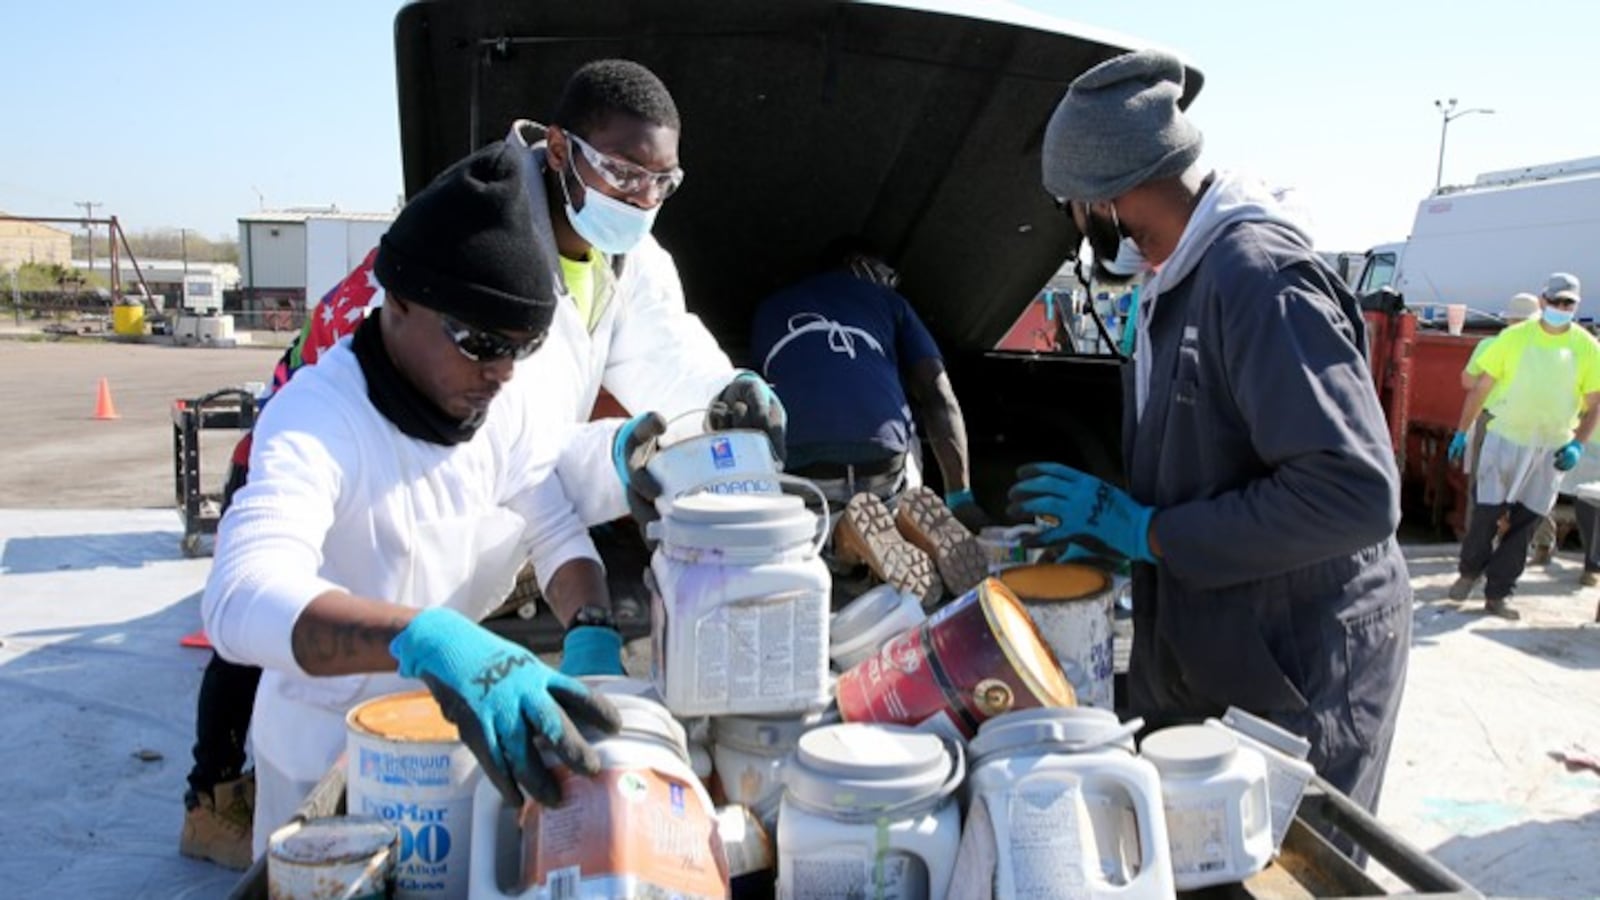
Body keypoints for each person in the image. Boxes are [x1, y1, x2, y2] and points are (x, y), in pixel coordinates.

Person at [180, 58, 786, 867]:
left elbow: (546, 496)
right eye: (484, 348)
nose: (502, 374)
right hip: (330, 758)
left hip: (441, 733)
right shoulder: (323, 419)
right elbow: (241, 597)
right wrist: (426, 638)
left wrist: (595, 624)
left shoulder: (486, 391)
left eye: (522, 352)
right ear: (393, 307)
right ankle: (213, 791)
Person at [1010, 50, 1411, 817]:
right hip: (1228, 645)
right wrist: (1123, 538)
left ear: (1106, 194)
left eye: (1071, 205)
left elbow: (1353, 496)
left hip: (1301, 663)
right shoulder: (1176, 277)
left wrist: (1154, 532)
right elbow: (1214, 457)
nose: (1077, 226)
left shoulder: (1258, 279)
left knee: (1287, 870)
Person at [749, 241, 988, 603]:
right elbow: (939, 395)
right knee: (902, 408)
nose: (891, 283)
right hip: (883, 457)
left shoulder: (769, 308)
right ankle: (902, 514)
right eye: (888, 274)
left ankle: (843, 541)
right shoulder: (889, 302)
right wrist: (961, 497)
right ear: (857, 265)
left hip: (803, 463)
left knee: (810, 533)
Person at [1446, 273, 1600, 618]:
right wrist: (1462, 431)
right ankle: (1469, 573)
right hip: (1506, 438)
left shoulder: (1587, 347)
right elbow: (1480, 387)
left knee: (1525, 523)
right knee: (1485, 514)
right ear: (1543, 300)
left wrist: (1577, 444)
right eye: (1556, 302)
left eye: (1568, 304)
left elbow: (1594, 402)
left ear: (1576, 305)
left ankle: (1498, 594)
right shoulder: (1513, 338)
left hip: (1551, 447)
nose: (1561, 308)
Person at [1455, 292, 1544, 549]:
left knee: (1486, 482)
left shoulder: (1490, 346)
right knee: (1529, 483)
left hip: (1492, 420)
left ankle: (1479, 542)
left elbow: (1468, 382)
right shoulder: (1545, 352)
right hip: (1534, 424)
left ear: (1508, 321)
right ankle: (1538, 541)